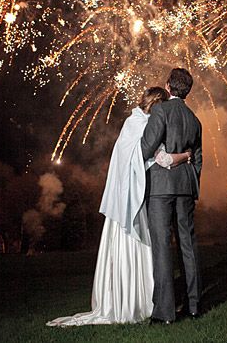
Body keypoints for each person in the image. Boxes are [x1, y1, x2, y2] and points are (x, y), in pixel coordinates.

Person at [46, 86, 191, 326]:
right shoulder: (147, 126)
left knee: (128, 249)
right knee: (140, 246)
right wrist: (185, 156)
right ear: (157, 106)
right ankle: (139, 301)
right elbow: (162, 160)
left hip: (124, 200)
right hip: (133, 202)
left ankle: (127, 298)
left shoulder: (130, 122)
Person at [141, 68, 202, 324]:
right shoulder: (194, 119)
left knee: (162, 246)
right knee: (188, 243)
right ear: (187, 91)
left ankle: (165, 312)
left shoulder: (161, 111)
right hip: (185, 185)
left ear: (168, 87)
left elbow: (147, 147)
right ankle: (195, 306)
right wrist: (191, 181)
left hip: (161, 187)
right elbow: (198, 159)